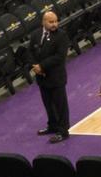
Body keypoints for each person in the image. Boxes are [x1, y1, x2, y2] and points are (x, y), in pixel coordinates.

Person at [27, 9, 70, 143]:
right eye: (51, 22)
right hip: (42, 77)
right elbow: (30, 52)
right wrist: (34, 66)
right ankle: (52, 126)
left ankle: (63, 131)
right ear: (43, 22)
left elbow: (59, 56)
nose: (54, 24)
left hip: (56, 77)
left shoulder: (61, 36)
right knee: (48, 104)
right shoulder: (35, 35)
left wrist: (42, 66)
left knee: (60, 105)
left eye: (56, 21)